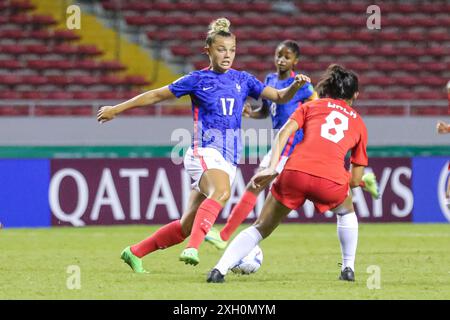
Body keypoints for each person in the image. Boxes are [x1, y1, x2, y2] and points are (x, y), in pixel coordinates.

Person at [97, 17, 312, 272]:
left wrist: (294, 85)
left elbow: (278, 96)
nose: (227, 55)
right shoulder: (197, 80)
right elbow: (156, 94)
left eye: (232, 50)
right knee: (220, 194)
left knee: (186, 226)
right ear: (207, 50)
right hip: (204, 151)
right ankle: (194, 249)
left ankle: (135, 252)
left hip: (229, 158)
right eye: (221, 49)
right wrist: (117, 109)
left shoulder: (243, 79)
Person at [204, 42, 379, 250]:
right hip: (280, 137)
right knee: (256, 184)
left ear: (295, 61)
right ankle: (361, 180)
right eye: (279, 55)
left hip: (294, 142)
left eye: (287, 57)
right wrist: (252, 113)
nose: (281, 60)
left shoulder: (302, 85)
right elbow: (268, 112)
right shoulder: (270, 80)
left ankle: (224, 235)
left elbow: (320, 107)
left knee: (255, 183)